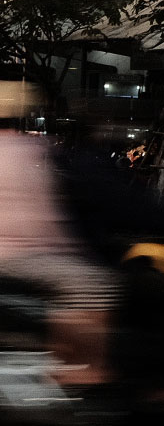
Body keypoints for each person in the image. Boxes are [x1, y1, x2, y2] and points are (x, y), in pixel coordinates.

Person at [0, 82, 117, 391]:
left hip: (18, 254)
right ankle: (85, 369)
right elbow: (45, 221)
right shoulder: (32, 150)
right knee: (94, 284)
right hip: (21, 256)